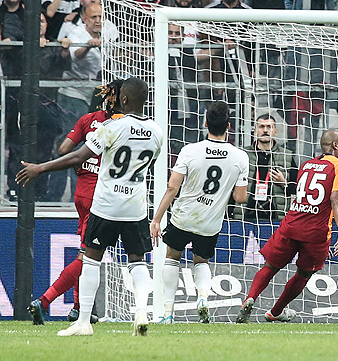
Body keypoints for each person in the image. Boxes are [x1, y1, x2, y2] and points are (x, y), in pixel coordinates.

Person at [17, 78, 164, 337]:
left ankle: (83, 322)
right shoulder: (157, 132)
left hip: (106, 205)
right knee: (137, 262)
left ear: (124, 99)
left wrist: (40, 168)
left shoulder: (111, 127)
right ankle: (141, 310)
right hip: (136, 207)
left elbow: (77, 156)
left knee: (92, 260)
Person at [26, 81, 123, 325]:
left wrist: (83, 158)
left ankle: (80, 308)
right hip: (99, 196)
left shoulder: (87, 119)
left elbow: (63, 149)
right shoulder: (122, 125)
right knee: (88, 257)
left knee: (86, 250)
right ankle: (45, 300)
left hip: (81, 192)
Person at [149, 101, 248, 324]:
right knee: (201, 261)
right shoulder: (240, 157)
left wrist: (156, 219)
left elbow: (172, 188)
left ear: (205, 124)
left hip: (183, 217)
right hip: (210, 223)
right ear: (229, 126)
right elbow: (240, 198)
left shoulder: (189, 151)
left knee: (172, 258)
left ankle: (168, 313)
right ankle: (202, 298)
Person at [237, 129, 338, 323]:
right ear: (335, 146)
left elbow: (301, 192)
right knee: (304, 274)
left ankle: (250, 298)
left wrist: (285, 183)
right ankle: (275, 311)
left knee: (270, 267)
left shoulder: (307, 165)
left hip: (290, 224)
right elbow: (335, 197)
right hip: (315, 231)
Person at [244, 113, 298, 221]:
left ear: (275, 131)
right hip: (246, 217)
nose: (265, 130)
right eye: (261, 127)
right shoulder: (244, 154)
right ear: (255, 131)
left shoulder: (287, 156)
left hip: (275, 219)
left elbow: (298, 189)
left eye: (269, 127)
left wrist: (284, 183)